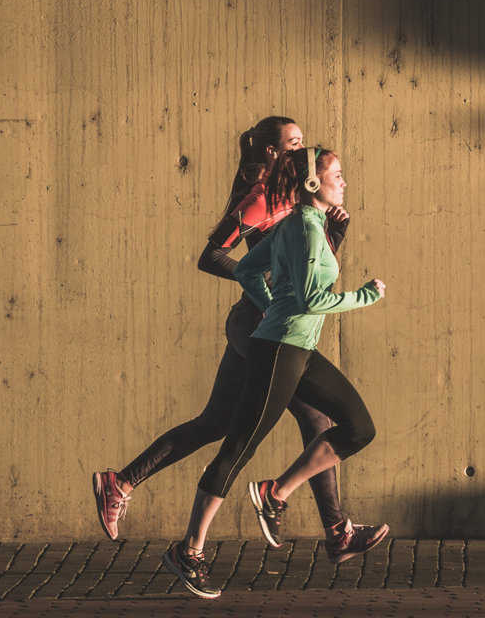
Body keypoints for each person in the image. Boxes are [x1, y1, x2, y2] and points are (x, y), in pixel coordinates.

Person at [91, 119, 383, 571]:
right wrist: (268, 289)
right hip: (258, 322)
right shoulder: (262, 200)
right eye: (294, 144)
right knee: (311, 419)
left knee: (218, 421)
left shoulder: (298, 202)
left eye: (304, 144)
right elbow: (214, 257)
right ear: (271, 153)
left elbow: (312, 271)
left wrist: (333, 237)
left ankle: (123, 482)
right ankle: (328, 528)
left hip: (270, 323)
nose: (302, 150)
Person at [161, 146, 387, 599]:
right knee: (238, 446)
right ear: (310, 184)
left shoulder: (306, 225)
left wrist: (271, 310)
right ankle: (190, 550)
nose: (343, 181)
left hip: (294, 346)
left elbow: (246, 270)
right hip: (281, 352)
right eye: (336, 175)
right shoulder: (303, 227)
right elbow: (309, 301)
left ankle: (275, 491)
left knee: (359, 427)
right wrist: (365, 296)